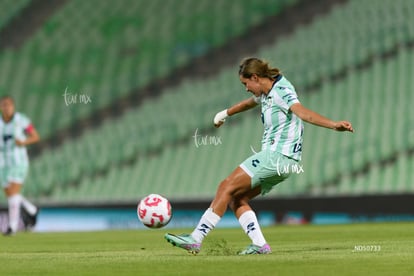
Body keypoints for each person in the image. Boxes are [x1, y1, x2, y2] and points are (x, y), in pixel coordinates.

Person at [165, 57, 353, 254]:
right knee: (236, 199)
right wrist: (225, 114)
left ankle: (196, 238)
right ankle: (259, 244)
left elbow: (302, 113)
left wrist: (333, 125)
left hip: (276, 156)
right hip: (284, 162)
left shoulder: (282, 91)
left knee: (226, 186)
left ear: (255, 77)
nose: (246, 88)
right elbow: (249, 103)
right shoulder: (266, 90)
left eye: (246, 83)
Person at [0, 95, 40, 236]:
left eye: (9, 105)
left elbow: (35, 136)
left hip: (19, 162)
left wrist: (23, 142)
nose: (7, 108)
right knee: (11, 194)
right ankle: (31, 209)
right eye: (4, 105)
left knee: (13, 194)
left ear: (13, 107)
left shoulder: (21, 120)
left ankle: (12, 227)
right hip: (3, 163)